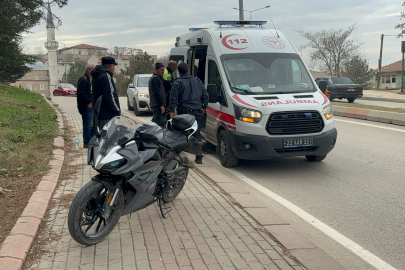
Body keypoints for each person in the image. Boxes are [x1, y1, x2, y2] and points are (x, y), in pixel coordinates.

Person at [168, 62, 208, 164]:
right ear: (188, 70)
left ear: (179, 72)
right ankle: (199, 157)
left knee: (181, 134)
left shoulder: (177, 82)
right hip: (197, 112)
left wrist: (172, 111)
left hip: (183, 113)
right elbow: (204, 94)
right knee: (197, 134)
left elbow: (173, 98)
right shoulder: (198, 81)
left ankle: (180, 155)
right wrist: (204, 107)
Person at [91, 56, 121, 130]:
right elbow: (109, 96)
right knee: (109, 138)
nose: (114, 68)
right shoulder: (106, 76)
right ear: (111, 66)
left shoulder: (96, 75)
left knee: (103, 138)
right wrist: (117, 110)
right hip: (108, 115)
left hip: (100, 114)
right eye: (114, 66)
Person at [76, 64, 95, 148]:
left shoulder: (90, 79)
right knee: (88, 125)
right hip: (87, 107)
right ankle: (87, 142)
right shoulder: (83, 79)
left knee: (93, 125)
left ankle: (93, 141)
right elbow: (81, 93)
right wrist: (88, 102)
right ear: (89, 70)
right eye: (93, 70)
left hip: (92, 106)